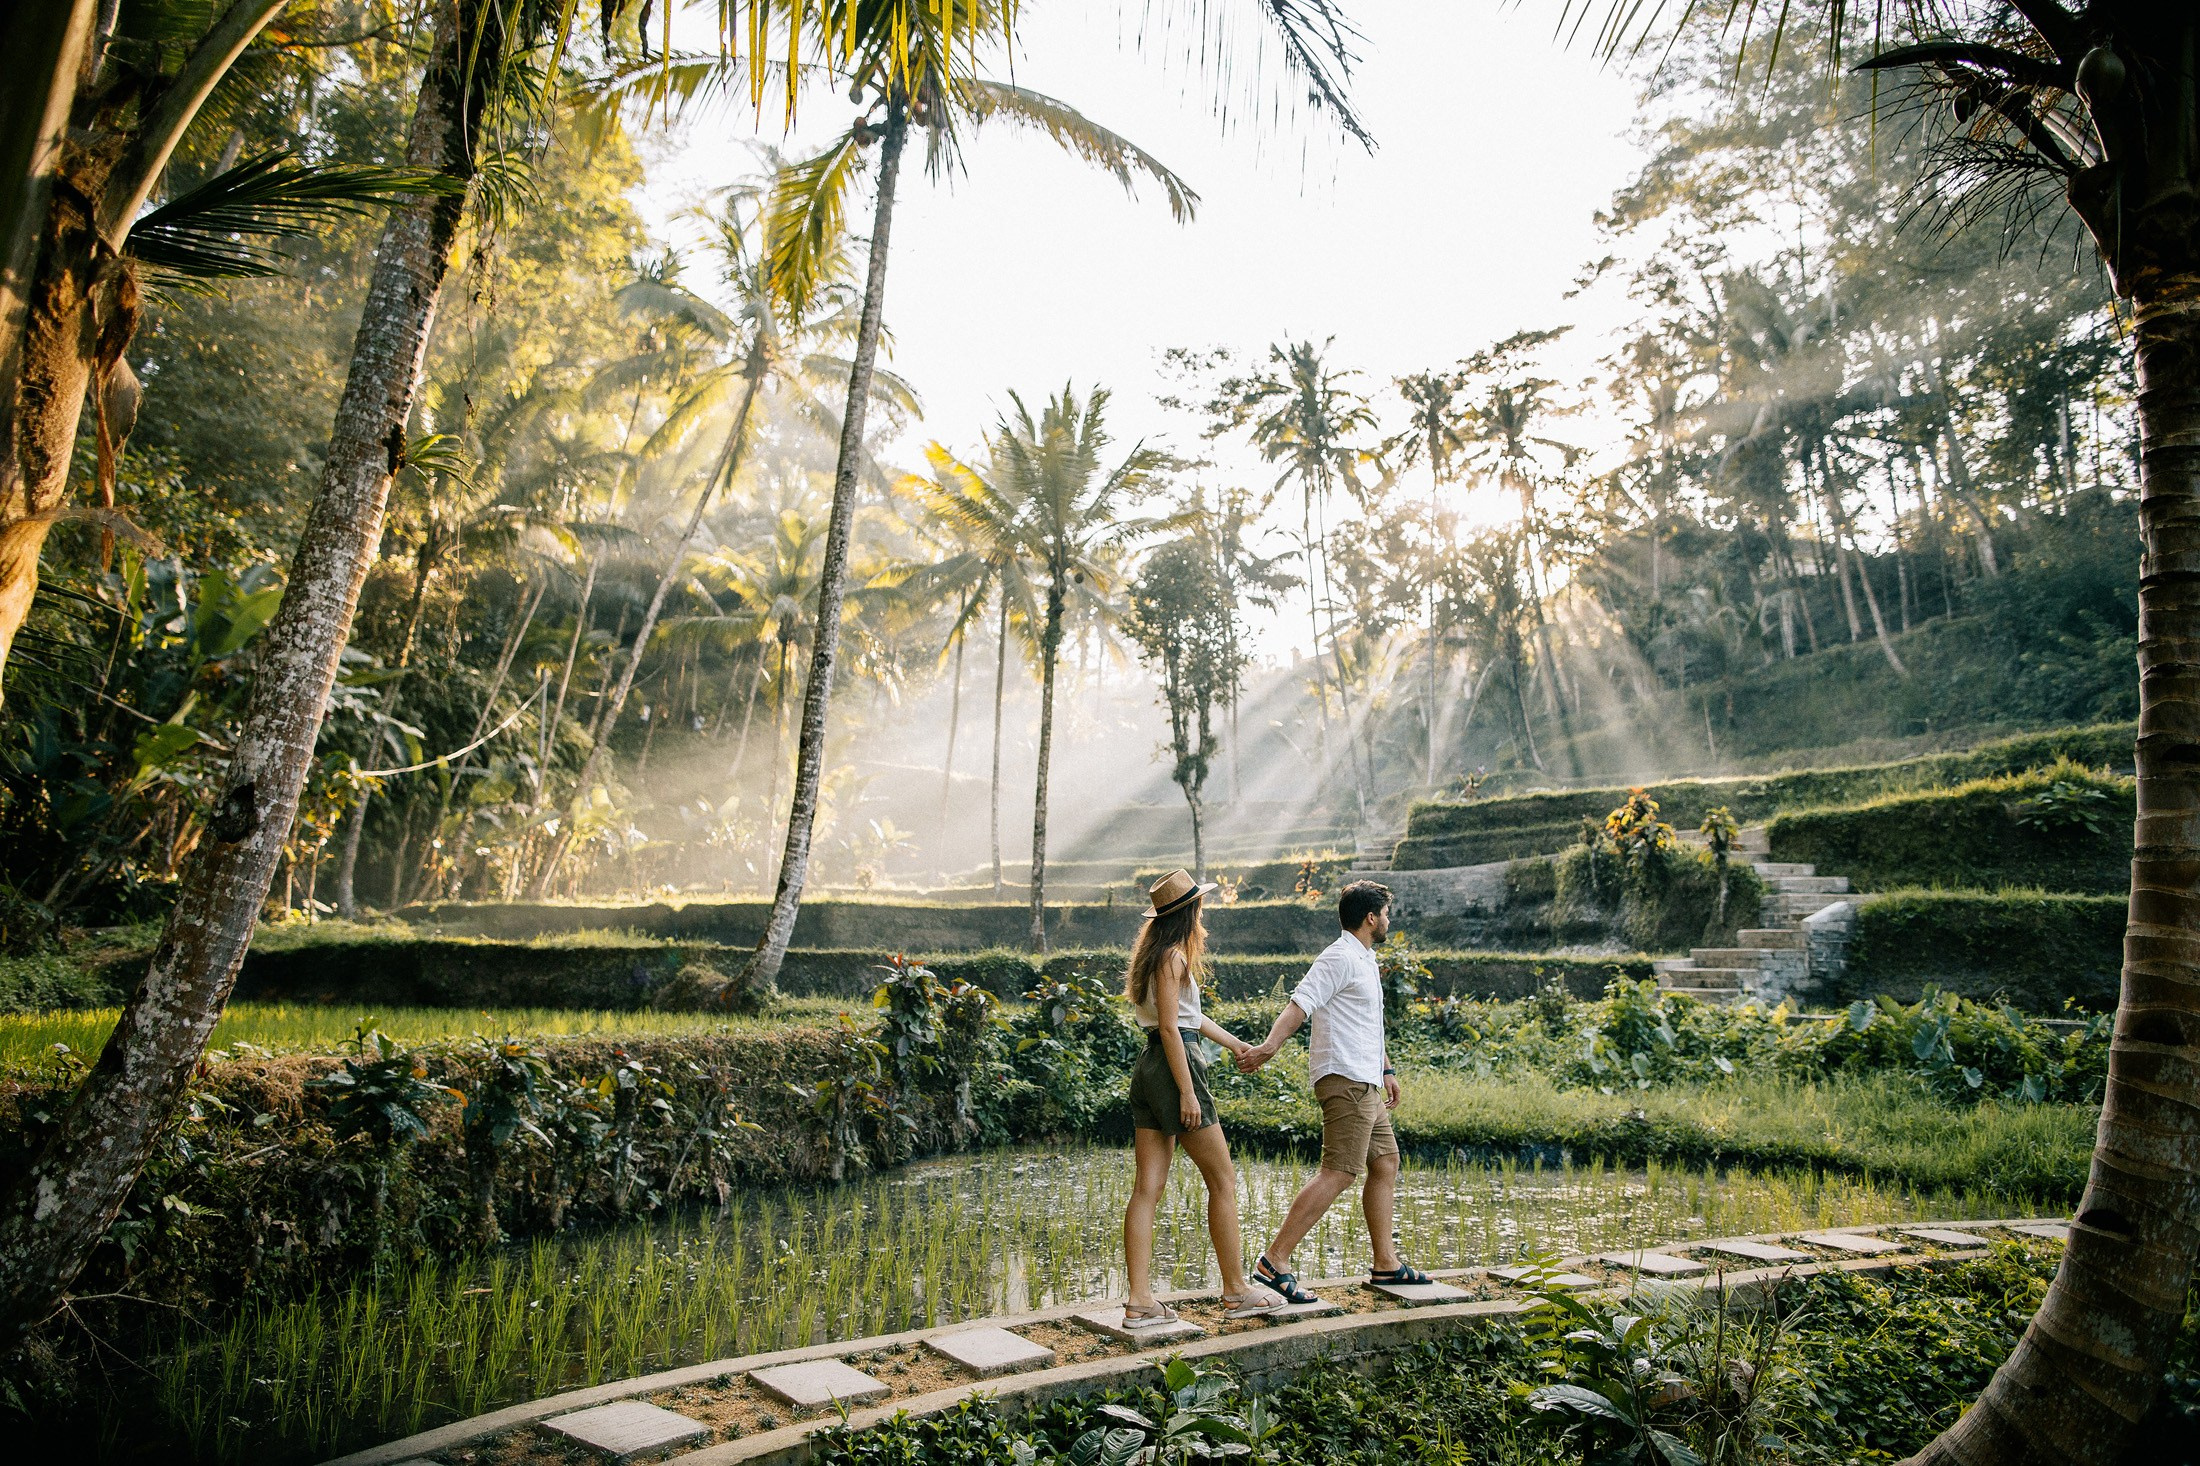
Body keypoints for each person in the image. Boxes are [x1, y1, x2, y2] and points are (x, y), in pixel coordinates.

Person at [1236, 879, 1429, 1303]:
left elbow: (1368, 1023)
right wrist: (1268, 1047)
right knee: (1339, 1171)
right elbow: (1299, 1004)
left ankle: (1386, 1264)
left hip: (1367, 1079)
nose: (1389, 920)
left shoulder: (1365, 959)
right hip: (1344, 1079)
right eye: (1386, 914)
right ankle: (1274, 1261)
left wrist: (1387, 1068)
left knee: (1385, 1162)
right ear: (1371, 917)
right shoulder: (1339, 957)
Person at [1119, 869, 1286, 1326]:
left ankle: (1139, 1303)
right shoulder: (1173, 957)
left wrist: (1236, 1046)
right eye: (1200, 905)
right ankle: (1235, 1291)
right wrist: (1188, 1092)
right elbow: (1175, 1029)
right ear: (1190, 912)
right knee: (1223, 1181)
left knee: (1146, 1189)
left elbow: (1188, 1018)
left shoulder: (1156, 957)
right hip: (1176, 1069)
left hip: (1149, 1067)